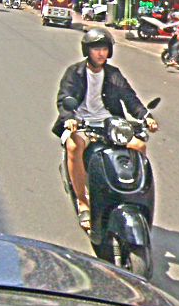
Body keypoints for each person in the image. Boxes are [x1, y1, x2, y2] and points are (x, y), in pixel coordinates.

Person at [52, 28, 158, 230]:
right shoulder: (75, 72)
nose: (100, 53)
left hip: (109, 123)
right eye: (96, 49)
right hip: (82, 122)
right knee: (74, 146)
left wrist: (146, 116)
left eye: (104, 49)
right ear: (87, 51)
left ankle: (134, 192)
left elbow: (130, 97)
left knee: (139, 146)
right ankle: (83, 202)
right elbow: (65, 98)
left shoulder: (113, 74)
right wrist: (70, 118)